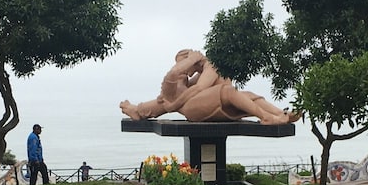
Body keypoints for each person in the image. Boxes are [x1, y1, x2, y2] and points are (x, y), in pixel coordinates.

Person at [120, 49, 299, 125]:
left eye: (183, 65)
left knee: (248, 95)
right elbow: (183, 87)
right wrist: (172, 101)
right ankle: (268, 116)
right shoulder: (198, 76)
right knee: (230, 92)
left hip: (209, 105)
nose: (185, 72)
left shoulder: (211, 65)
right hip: (204, 107)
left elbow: (197, 90)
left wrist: (172, 105)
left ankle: (278, 114)